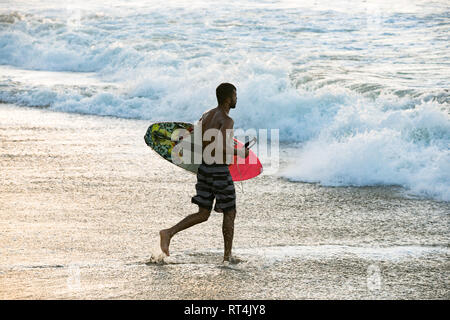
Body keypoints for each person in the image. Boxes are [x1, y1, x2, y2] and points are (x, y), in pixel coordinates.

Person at [159, 83, 249, 263]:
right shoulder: (227, 120)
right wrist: (241, 153)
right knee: (230, 211)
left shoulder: (207, 115)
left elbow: (200, 140)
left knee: (203, 213)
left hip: (204, 168)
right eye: (234, 96)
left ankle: (168, 233)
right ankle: (227, 256)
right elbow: (221, 146)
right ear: (227, 98)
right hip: (219, 172)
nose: (236, 99)